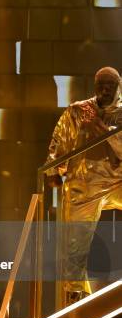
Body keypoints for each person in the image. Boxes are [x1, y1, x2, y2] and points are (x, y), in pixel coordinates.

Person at [45, 66, 122, 305]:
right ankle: (76, 301)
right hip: (84, 185)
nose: (105, 89)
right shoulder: (78, 112)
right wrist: (53, 169)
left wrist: (101, 129)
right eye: (101, 85)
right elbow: (60, 142)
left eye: (110, 84)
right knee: (73, 247)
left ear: (119, 86)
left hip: (118, 180)